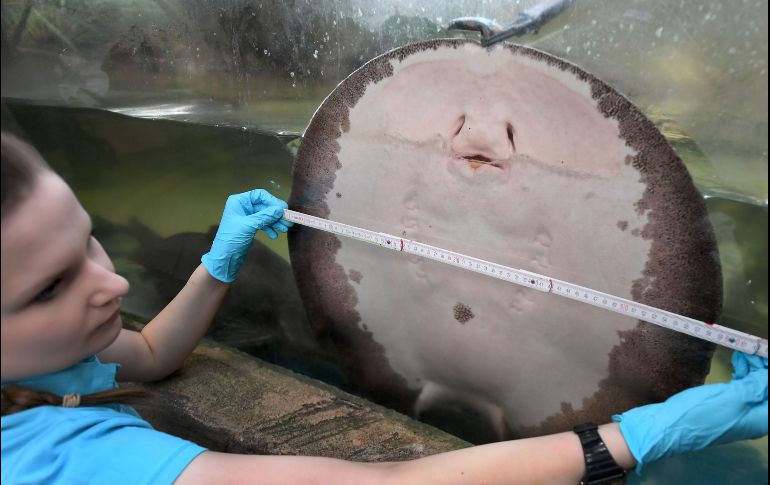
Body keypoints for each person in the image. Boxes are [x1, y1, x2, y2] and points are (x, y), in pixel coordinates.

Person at [1, 130, 767, 485]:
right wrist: (633, 438)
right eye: (48, 288)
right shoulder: (75, 460)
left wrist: (218, 260)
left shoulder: (46, 367)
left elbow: (152, 355)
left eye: (90, 242)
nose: (114, 286)